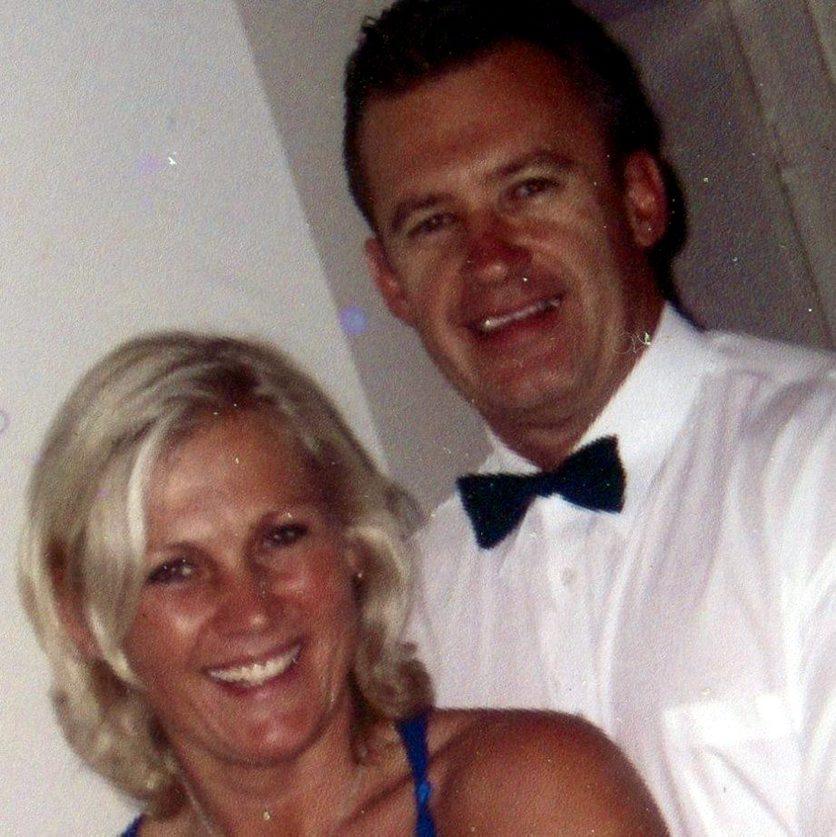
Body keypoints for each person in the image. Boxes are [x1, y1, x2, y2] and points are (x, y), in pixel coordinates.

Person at [342, 0, 836, 834]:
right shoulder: (410, 617)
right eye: (433, 223)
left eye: (529, 188)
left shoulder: (816, 466)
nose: (489, 258)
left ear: (640, 198)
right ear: (391, 281)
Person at [18, 331, 667, 835]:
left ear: (353, 542)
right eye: (176, 570)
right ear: (84, 617)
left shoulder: (525, 795)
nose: (251, 610)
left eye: (281, 537)